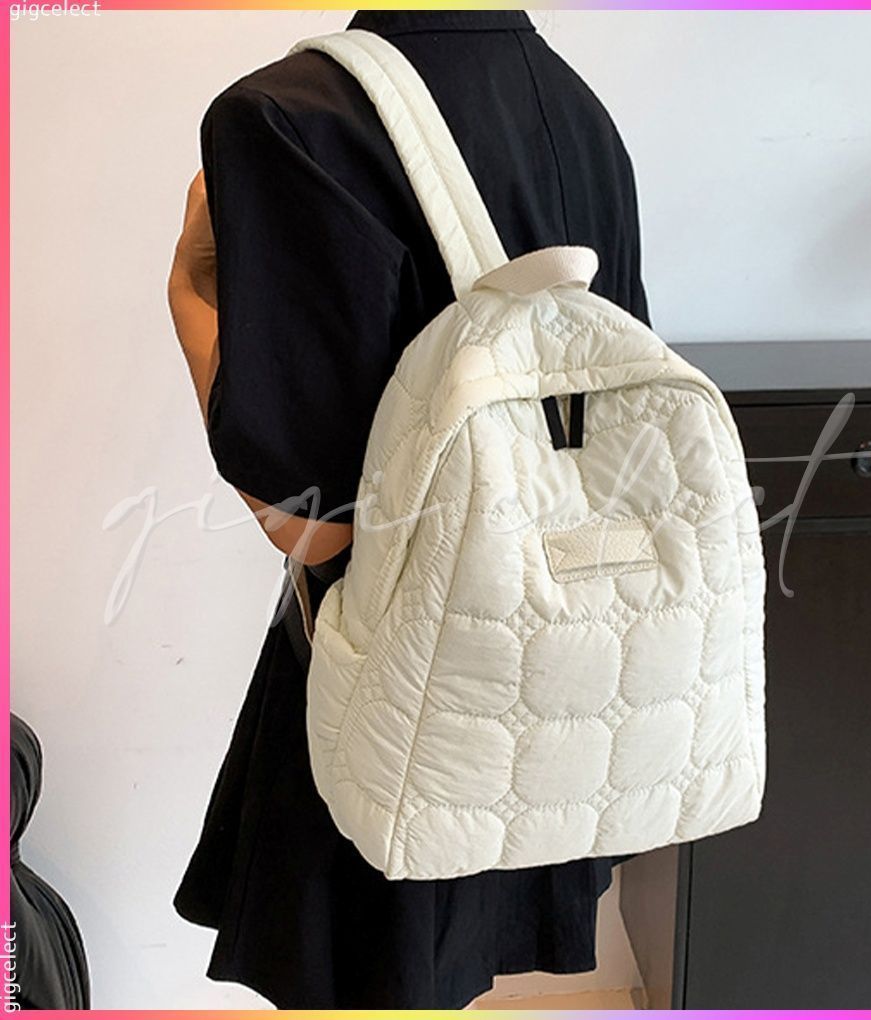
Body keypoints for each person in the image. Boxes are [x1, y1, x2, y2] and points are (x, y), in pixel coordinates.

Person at [167, 10, 651, 1009]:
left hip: (394, 699)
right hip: (550, 675)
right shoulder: (577, 110)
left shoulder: (284, 118)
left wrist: (189, 298)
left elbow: (314, 524)